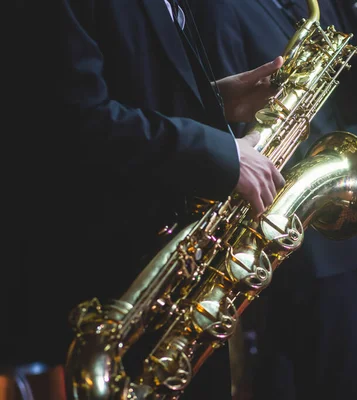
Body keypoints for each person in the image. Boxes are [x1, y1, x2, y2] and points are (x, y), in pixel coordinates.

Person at [3, 0, 289, 399]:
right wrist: (218, 152)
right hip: (105, 287)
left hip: (164, 270)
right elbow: (72, 121)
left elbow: (121, 82)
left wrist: (212, 101)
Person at [190, 1, 357, 399]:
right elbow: (239, 143)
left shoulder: (314, 6)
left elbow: (341, 100)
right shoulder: (223, 11)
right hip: (302, 242)